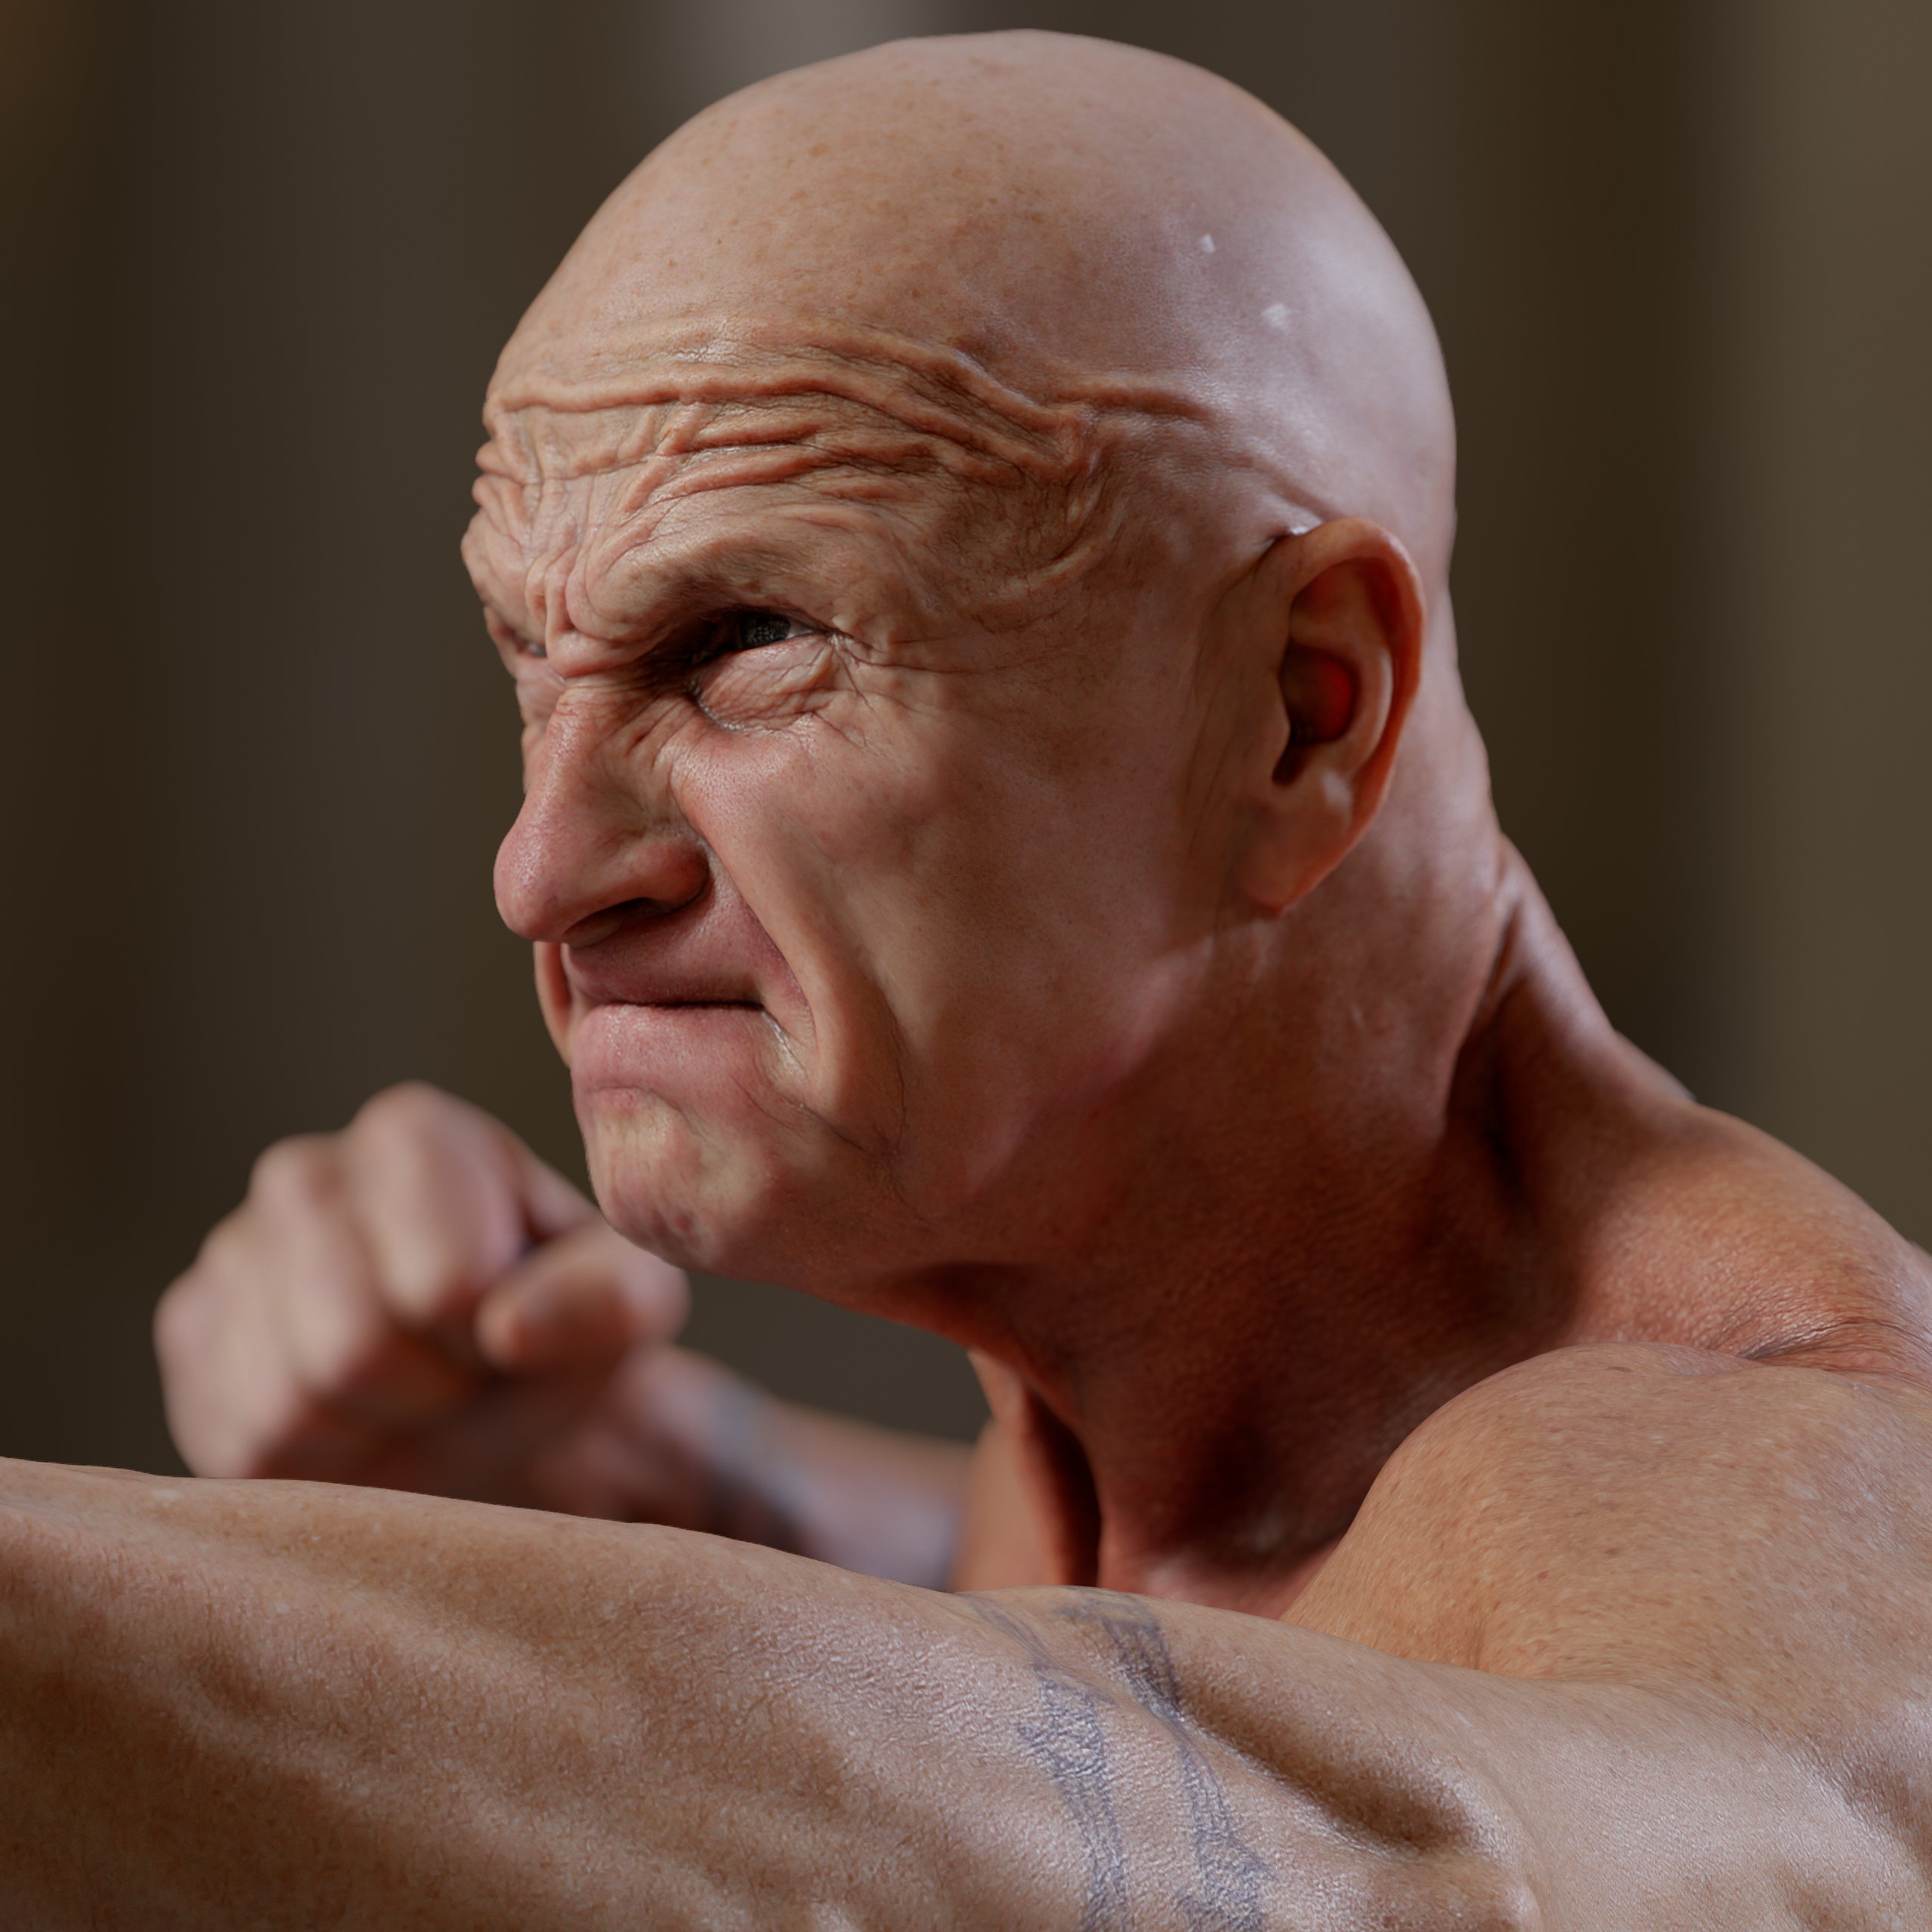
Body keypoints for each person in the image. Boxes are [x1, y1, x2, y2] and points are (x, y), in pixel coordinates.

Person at [8, 29, 1928, 1924]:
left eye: (742, 642)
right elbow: (1213, 1629)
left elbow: (1425, 1876)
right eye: (533, 659)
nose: (544, 872)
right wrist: (664, 1473)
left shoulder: (1787, 1469)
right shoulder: (1220, 1430)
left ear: (1297, 712)